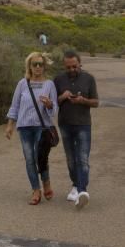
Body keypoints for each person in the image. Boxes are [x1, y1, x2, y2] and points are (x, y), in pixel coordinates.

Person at [6, 52, 58, 205]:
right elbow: (15, 106)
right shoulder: (22, 83)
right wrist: (10, 125)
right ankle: (36, 190)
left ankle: (46, 181)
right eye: (34, 64)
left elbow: (54, 110)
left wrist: (49, 104)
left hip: (42, 127)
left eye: (40, 64)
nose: (37, 67)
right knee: (29, 159)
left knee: (39, 157)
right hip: (25, 127)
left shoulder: (49, 85)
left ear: (44, 67)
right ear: (29, 66)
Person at [54, 50, 99, 210]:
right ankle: (75, 185)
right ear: (64, 66)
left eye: (75, 66)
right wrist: (62, 97)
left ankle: (82, 191)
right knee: (71, 160)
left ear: (80, 63)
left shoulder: (89, 78)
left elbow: (96, 102)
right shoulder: (58, 79)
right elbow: (53, 103)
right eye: (69, 67)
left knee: (83, 159)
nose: (72, 69)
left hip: (83, 124)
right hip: (65, 124)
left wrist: (83, 100)